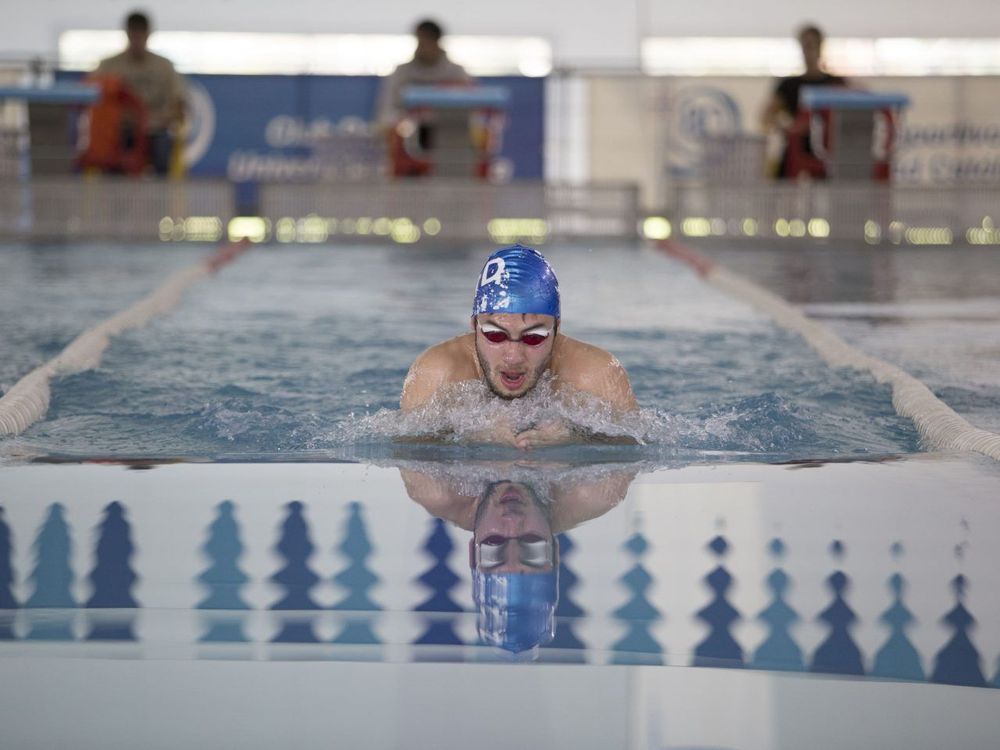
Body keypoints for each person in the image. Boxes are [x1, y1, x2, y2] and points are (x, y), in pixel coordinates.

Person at [400, 244, 638, 448]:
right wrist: (468, 437)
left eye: (533, 337)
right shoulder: (438, 372)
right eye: (495, 335)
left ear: (556, 329)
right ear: (474, 325)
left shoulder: (596, 374)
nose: (513, 357)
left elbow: (633, 446)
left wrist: (576, 438)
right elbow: (408, 453)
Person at [399, 462, 635, 656]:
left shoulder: (437, 490)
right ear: (554, 550)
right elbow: (635, 429)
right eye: (531, 544)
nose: (512, 521)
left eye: (494, 544)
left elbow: (403, 424)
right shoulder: (596, 492)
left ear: (473, 552)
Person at [94, 10, 185, 175]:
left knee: (163, 147)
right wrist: (120, 117)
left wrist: (158, 119)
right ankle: (114, 189)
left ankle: (161, 190)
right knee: (110, 148)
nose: (137, 38)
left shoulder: (164, 67)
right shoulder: (109, 66)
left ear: (148, 34)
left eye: (141, 32)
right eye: (133, 32)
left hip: (155, 130)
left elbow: (178, 104)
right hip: (121, 129)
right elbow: (96, 100)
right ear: (127, 33)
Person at [760, 24, 847, 178]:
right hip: (795, 150)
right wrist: (787, 127)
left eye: (811, 45)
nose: (808, 51)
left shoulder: (836, 83)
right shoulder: (788, 85)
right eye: (804, 45)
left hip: (828, 153)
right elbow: (767, 116)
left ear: (820, 46)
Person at [376, 19, 472, 130]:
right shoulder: (401, 73)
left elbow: (471, 110)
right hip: (408, 133)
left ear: (436, 41)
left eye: (426, 40)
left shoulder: (457, 73)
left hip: (449, 133)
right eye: (419, 41)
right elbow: (386, 111)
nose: (422, 46)